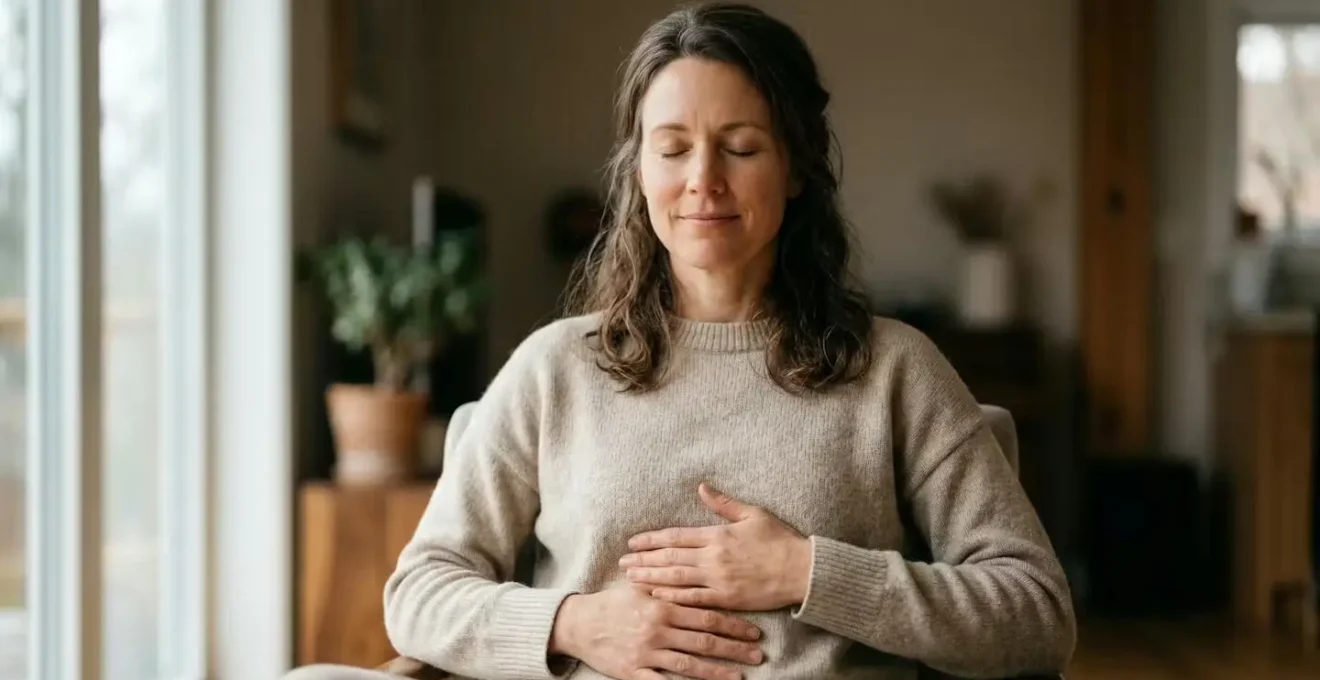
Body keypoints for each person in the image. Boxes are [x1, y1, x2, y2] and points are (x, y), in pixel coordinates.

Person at [287, 3, 1075, 679]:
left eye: (740, 147)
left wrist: (809, 572)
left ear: (796, 168)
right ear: (638, 171)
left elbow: (1036, 612)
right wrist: (575, 624)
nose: (704, 179)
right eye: (671, 149)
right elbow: (418, 593)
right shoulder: (555, 368)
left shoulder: (895, 370)